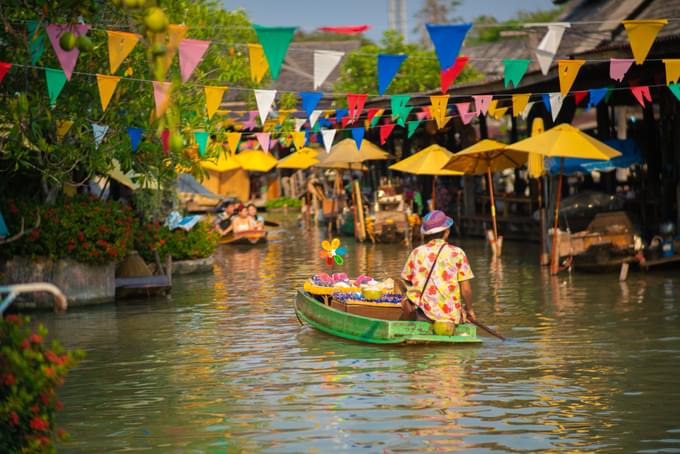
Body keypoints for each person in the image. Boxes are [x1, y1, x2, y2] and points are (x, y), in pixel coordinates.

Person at [400, 210, 476, 324]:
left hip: (422, 313)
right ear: (446, 232)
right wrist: (469, 310)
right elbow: (465, 290)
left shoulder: (416, 252)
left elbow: (405, 281)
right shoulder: (457, 253)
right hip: (450, 316)